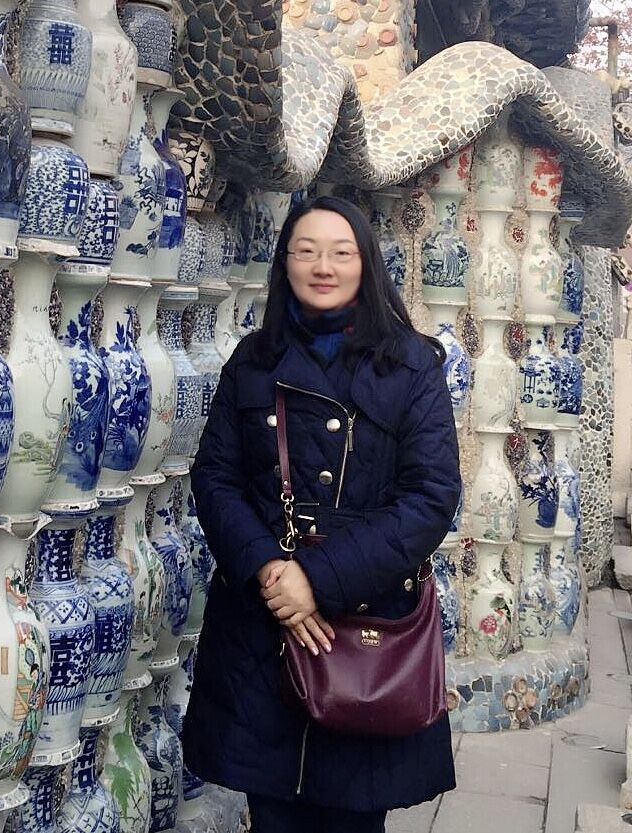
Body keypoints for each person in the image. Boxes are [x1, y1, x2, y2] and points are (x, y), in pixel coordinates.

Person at [184, 195, 461, 833]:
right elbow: (215, 476)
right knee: (273, 813)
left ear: (366, 263)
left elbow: (430, 496)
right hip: (266, 626)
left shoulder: (411, 365)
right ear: (285, 263)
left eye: (341, 252)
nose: (323, 266)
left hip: (365, 629)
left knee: (352, 817)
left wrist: (319, 579)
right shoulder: (253, 361)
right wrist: (269, 570)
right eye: (306, 251)